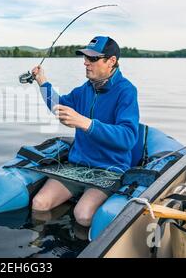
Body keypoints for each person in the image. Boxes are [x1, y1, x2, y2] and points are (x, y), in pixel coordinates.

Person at [31, 36, 140, 227]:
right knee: (39, 204)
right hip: (77, 166)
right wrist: (42, 82)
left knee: (82, 214)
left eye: (93, 58)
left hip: (109, 169)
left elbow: (128, 137)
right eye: (85, 58)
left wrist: (86, 123)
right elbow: (60, 106)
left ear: (111, 61)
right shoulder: (85, 89)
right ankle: (40, 242)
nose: (86, 62)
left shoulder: (127, 91)